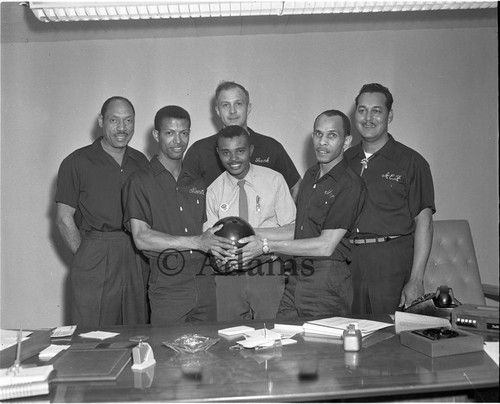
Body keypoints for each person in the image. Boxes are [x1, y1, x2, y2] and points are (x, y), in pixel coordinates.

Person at [239, 110, 366, 319]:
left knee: (321, 350)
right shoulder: (311, 175)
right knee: (283, 341)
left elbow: (325, 246)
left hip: (327, 280)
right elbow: (299, 230)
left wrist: (265, 246)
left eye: (332, 135)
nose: (322, 142)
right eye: (318, 134)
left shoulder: (350, 184)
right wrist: (249, 232)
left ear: (347, 141)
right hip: (297, 276)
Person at [122, 106, 234, 325]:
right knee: (166, 354)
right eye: (170, 133)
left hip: (206, 285)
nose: (178, 140)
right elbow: (141, 238)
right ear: (156, 135)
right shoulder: (140, 181)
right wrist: (197, 242)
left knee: (209, 353)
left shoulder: (198, 182)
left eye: (184, 133)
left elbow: (209, 233)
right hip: (167, 286)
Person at [55, 96, 150, 327]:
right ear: (101, 121)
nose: (122, 128)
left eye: (128, 121)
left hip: (136, 253)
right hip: (96, 251)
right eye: (114, 120)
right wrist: (86, 256)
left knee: (136, 330)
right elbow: (63, 218)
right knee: (92, 334)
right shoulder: (76, 162)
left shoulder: (141, 161)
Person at [344, 83, 435, 314]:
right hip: (347, 264)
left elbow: (423, 222)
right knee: (348, 337)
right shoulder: (343, 161)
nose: (368, 118)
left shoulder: (412, 162)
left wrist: (416, 280)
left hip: (391, 265)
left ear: (389, 115)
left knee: (389, 342)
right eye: (362, 110)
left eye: (376, 110)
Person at [204, 125, 296, 321]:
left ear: (251, 150)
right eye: (226, 153)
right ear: (218, 153)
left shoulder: (274, 180)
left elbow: (294, 229)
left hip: (267, 270)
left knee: (271, 335)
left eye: (240, 151)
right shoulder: (213, 191)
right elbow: (210, 240)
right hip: (228, 276)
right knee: (229, 336)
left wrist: (254, 237)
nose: (234, 159)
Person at [183, 81, 302, 201]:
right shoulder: (199, 151)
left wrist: (286, 217)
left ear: (248, 107)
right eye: (225, 105)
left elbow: (296, 187)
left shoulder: (271, 148)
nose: (232, 111)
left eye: (238, 104)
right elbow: (185, 196)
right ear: (217, 110)